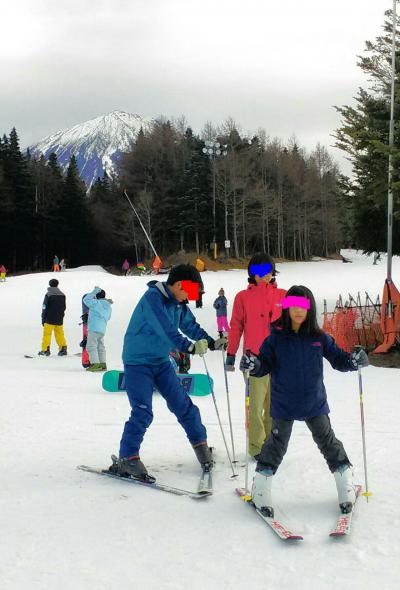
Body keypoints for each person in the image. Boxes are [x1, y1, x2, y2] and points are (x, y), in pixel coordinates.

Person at [239, 285, 369, 516]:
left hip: (314, 403)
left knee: (328, 441)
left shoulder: (319, 337)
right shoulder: (275, 338)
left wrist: (354, 361)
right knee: (276, 445)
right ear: (286, 308)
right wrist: (254, 365)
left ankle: (345, 484)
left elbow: (339, 359)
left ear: (310, 308)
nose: (298, 310)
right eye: (293, 306)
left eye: (303, 306)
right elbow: (263, 364)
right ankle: (260, 491)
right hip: (284, 404)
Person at [109, 264, 227, 480]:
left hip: (161, 362)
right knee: (143, 411)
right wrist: (189, 347)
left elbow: (190, 325)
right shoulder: (153, 299)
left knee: (183, 405)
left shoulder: (178, 303)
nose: (190, 298)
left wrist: (211, 342)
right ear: (180, 285)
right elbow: (166, 329)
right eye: (190, 292)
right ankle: (128, 458)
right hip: (137, 363)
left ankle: (201, 446)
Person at [225, 253, 286, 459]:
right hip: (254, 360)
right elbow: (236, 326)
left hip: (278, 360)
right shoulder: (242, 297)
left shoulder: (284, 295)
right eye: (259, 272)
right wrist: (231, 353)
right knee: (255, 406)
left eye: (267, 272)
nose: (264, 276)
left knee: (274, 406)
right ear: (252, 273)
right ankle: (256, 447)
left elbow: (303, 312)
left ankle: (271, 444)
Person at [83, 287, 113, 372]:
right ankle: (103, 364)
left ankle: (95, 364)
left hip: (93, 328)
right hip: (102, 329)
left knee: (91, 346)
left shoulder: (96, 303)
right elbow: (108, 317)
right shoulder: (108, 306)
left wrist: (94, 291)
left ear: (96, 296)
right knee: (100, 347)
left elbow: (86, 299)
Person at [39, 278, 67, 356]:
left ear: (50, 284)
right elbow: (64, 307)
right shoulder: (62, 294)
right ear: (57, 284)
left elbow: (44, 307)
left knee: (47, 334)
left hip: (49, 319)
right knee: (60, 334)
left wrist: (43, 318)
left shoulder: (48, 294)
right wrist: (61, 316)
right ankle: (63, 348)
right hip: (59, 319)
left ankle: (45, 350)